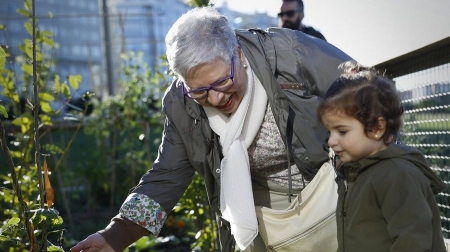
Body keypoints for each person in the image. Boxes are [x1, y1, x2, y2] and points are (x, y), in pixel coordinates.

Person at [71, 7, 351, 252]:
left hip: (328, 188)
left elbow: (362, 88)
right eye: (200, 91)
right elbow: (167, 176)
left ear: (238, 55)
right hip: (263, 217)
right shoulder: (182, 104)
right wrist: (115, 236)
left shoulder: (287, 54)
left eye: (222, 82)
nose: (216, 99)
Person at [317, 61, 447, 252]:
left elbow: (413, 243)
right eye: (330, 132)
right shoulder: (357, 172)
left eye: (342, 131)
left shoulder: (397, 175)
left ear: (376, 128)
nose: (331, 141)